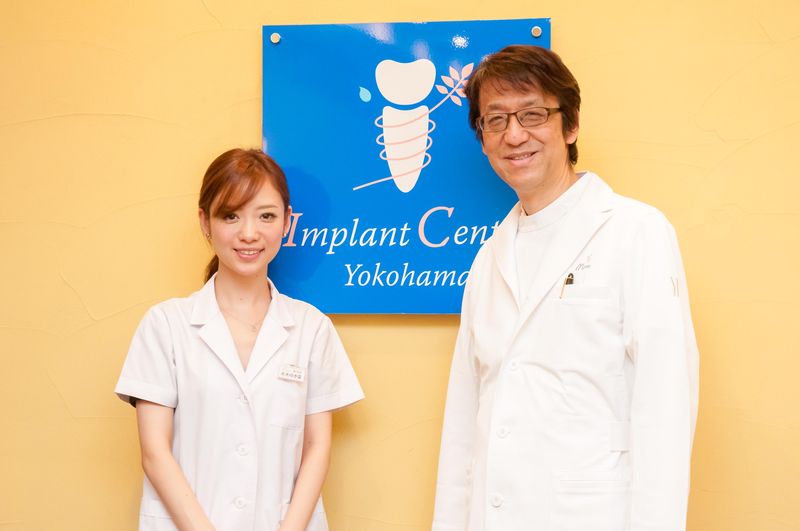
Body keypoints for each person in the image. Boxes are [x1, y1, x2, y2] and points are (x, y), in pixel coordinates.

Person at [432, 45, 699, 530]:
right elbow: (464, 421)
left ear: (570, 124)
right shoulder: (489, 258)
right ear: (483, 138)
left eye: (532, 114)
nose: (515, 135)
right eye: (496, 120)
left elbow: (666, 407)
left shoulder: (636, 231)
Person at [115, 148, 364, 531]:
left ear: (287, 222)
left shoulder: (312, 328)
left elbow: (317, 448)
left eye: (266, 216)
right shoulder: (165, 325)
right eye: (231, 215)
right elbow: (155, 454)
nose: (249, 233)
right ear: (205, 221)